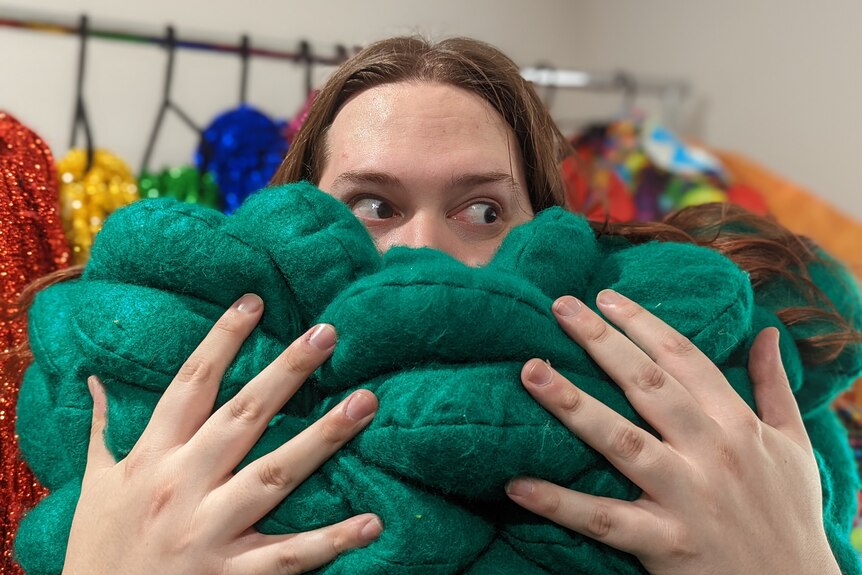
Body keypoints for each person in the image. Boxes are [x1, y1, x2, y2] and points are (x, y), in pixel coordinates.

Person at [32, 36, 859, 574]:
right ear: (293, 215)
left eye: (483, 210)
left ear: (555, 232)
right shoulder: (147, 440)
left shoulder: (717, 446)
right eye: (373, 205)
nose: (423, 249)